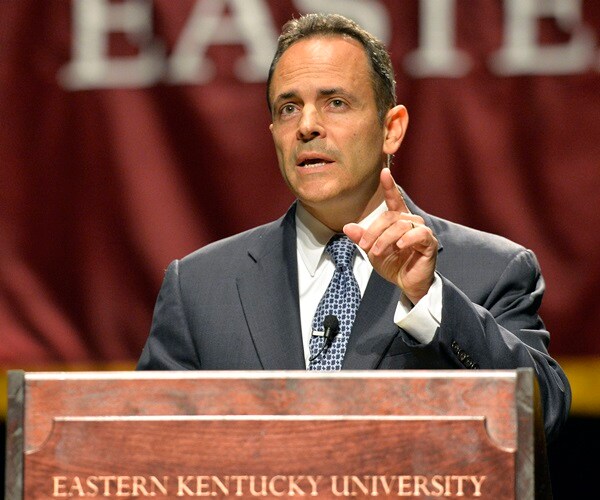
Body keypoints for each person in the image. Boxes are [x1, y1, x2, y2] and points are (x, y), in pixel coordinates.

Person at [137, 13, 570, 442]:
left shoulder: (491, 270)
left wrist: (428, 300)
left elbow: (539, 413)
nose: (307, 126)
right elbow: (145, 446)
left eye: (336, 103)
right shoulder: (199, 288)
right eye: (289, 108)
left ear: (391, 129)